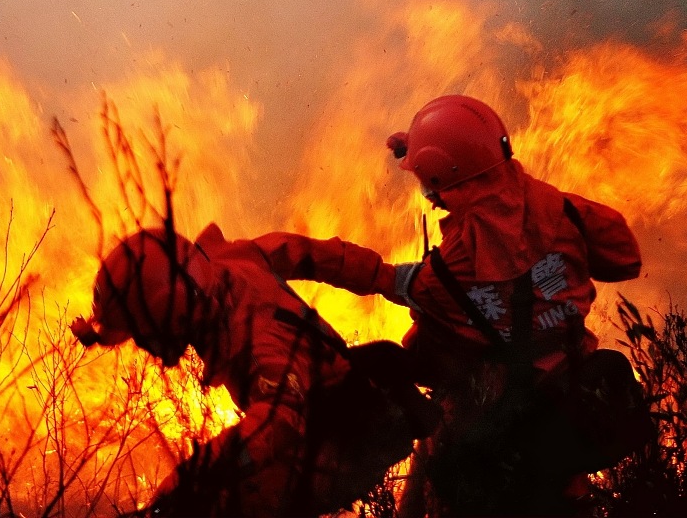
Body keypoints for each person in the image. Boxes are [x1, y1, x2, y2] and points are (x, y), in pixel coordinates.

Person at [278, 95, 646, 516]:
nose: (427, 194)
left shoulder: (448, 273)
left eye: (427, 182)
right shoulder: (572, 212)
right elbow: (624, 261)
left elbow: (381, 277)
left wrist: (290, 253)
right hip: (572, 409)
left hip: (495, 436)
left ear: (441, 180)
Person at [69, 222, 437, 518]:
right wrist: (387, 278)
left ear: (175, 313)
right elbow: (312, 253)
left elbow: (279, 420)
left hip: (351, 436)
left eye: (147, 336)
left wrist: (190, 481)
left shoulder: (255, 339)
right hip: (337, 400)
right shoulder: (224, 261)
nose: (148, 349)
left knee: (234, 501)